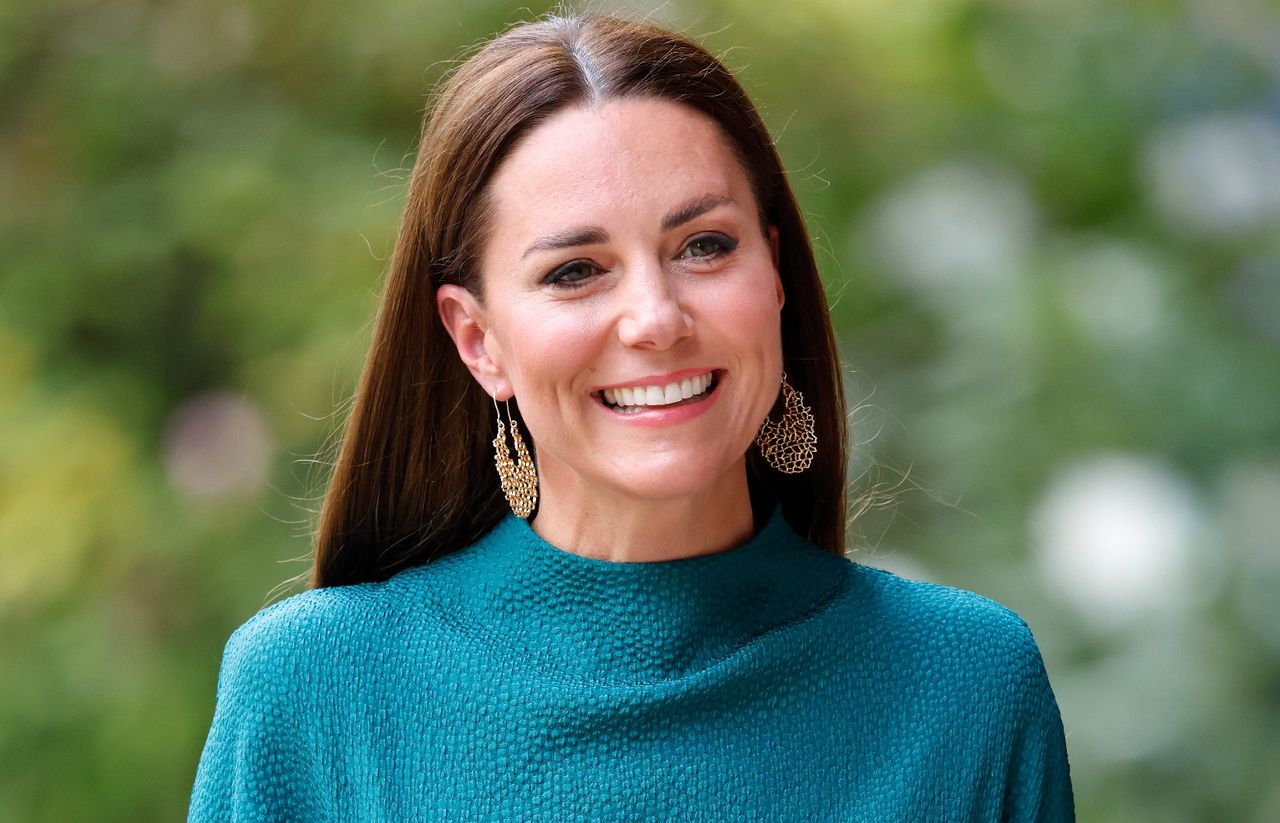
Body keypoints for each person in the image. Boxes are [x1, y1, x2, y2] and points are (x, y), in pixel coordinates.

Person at [188, 13, 1075, 822]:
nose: (656, 318)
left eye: (704, 246)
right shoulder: (312, 696)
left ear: (772, 275)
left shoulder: (967, 690)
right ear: (477, 338)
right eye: (576, 270)